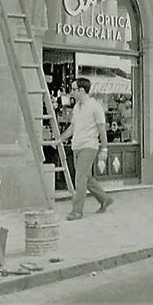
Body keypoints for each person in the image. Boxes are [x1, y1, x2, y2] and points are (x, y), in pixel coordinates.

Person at [59, 77, 114, 221]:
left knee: (80, 178)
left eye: (74, 89)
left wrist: (104, 149)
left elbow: (102, 130)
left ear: (82, 90)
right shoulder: (77, 107)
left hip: (89, 146)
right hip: (76, 146)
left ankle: (77, 211)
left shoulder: (95, 107)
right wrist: (60, 139)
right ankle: (105, 199)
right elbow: (72, 127)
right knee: (85, 177)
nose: (72, 92)